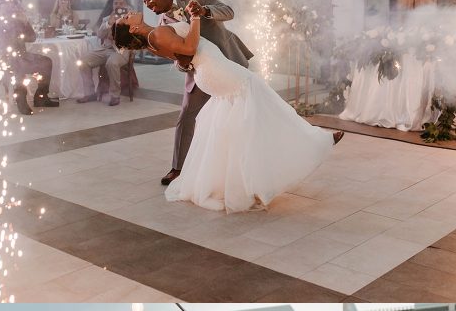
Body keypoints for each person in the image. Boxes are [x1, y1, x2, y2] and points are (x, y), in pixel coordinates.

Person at [115, 13, 343, 213]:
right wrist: (194, 19)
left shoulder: (153, 39)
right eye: (125, 19)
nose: (128, 13)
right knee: (267, 106)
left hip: (210, 73)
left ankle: (246, 183)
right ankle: (314, 142)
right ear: (133, 29)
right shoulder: (157, 34)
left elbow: (182, 58)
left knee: (239, 125)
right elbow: (189, 49)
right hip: (217, 70)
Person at [141, 0, 253, 186]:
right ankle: (178, 168)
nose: (147, 4)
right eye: (144, 1)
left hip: (229, 63)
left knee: (245, 113)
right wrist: (182, 64)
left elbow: (228, 11)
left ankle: (247, 164)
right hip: (201, 73)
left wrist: (204, 11)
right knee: (186, 116)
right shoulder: (162, 27)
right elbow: (176, 61)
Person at [0, 0, 59, 114]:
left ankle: (41, 96)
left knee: (47, 61)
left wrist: (25, 22)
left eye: (13, 7)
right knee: (18, 64)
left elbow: (32, 38)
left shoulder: (19, 21)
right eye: (8, 7)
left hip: (22, 55)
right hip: (3, 58)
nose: (11, 9)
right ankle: (21, 98)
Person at [77, 0, 132, 107]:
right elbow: (100, 35)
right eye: (116, 3)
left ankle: (115, 95)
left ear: (125, 5)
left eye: (121, 3)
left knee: (111, 63)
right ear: (112, 5)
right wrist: (108, 24)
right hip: (106, 49)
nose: (118, 6)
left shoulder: (132, 18)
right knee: (83, 61)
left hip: (121, 50)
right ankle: (90, 93)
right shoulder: (107, 18)